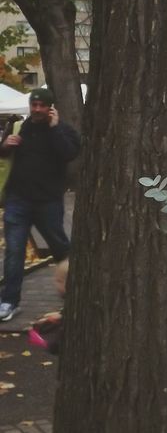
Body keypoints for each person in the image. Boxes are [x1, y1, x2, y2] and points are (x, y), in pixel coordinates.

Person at [0, 88, 80, 322]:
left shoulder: (63, 131)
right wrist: (6, 146)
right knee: (14, 252)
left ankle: (74, 295)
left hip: (48, 202)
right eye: (33, 105)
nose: (36, 110)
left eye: (41, 106)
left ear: (50, 108)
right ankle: (8, 301)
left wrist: (55, 129)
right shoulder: (19, 127)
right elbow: (2, 154)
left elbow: (69, 154)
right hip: (18, 200)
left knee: (61, 249)